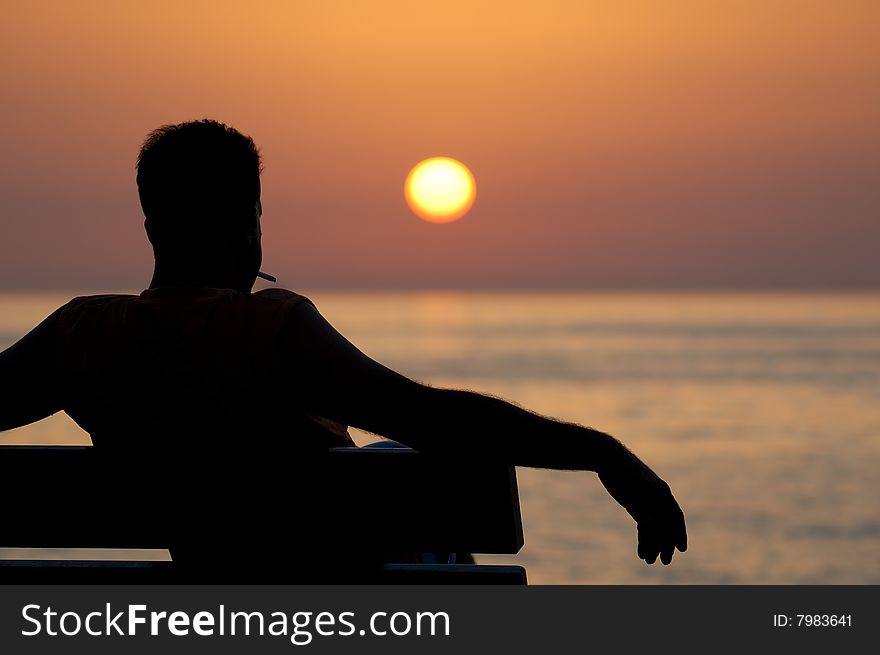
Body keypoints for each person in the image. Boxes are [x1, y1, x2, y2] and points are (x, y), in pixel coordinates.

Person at [0, 119, 686, 566]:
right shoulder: (268, 326)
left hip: (210, 607)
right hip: (343, 604)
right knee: (412, 461)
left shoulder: (80, 334)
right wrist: (603, 451)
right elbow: (431, 416)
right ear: (246, 225)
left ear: (152, 226)